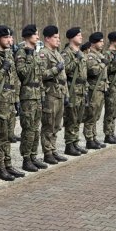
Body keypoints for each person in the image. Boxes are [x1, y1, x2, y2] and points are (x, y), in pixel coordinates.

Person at [0, 25, 25, 181]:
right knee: (0, 136)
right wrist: (3, 69)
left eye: (10, 37)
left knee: (8, 135)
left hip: (10, 100)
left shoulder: (9, 55)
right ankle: (0, 167)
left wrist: (17, 100)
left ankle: (8, 164)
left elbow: (14, 80)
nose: (10, 40)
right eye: (6, 37)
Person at [15, 24, 46, 171]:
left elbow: (39, 76)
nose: (38, 37)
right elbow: (23, 74)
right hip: (27, 96)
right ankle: (26, 159)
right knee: (28, 128)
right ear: (28, 36)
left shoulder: (34, 53)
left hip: (37, 95)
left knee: (36, 128)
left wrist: (43, 94)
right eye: (35, 34)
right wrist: (27, 57)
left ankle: (33, 155)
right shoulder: (22, 53)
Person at [39, 25, 68, 164]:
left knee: (56, 125)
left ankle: (53, 149)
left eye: (58, 37)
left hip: (60, 93)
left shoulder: (57, 54)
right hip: (50, 94)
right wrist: (56, 69)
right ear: (47, 38)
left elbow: (64, 77)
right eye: (55, 37)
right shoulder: (43, 54)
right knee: (48, 125)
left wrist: (66, 93)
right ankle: (47, 152)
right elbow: (42, 74)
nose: (58, 40)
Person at [63, 27, 88, 155]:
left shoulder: (80, 52)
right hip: (72, 89)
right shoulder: (67, 53)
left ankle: (75, 142)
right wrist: (76, 59)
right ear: (72, 37)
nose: (81, 37)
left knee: (78, 118)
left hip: (82, 89)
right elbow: (65, 69)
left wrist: (87, 89)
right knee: (71, 118)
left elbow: (84, 73)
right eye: (78, 35)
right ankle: (69, 144)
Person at [84, 31, 109, 148]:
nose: (102, 43)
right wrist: (103, 65)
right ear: (93, 43)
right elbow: (93, 71)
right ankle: (89, 139)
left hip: (101, 89)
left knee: (96, 115)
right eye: (100, 41)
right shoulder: (90, 56)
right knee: (91, 115)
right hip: (94, 90)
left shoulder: (100, 55)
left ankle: (93, 137)